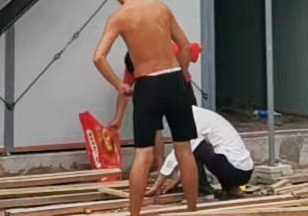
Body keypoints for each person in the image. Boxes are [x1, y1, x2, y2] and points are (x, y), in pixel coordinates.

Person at [93, 0, 198, 216]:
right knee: (184, 149)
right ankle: (192, 210)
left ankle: (135, 213)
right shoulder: (161, 8)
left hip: (147, 85)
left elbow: (98, 57)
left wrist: (120, 84)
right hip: (174, 80)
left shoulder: (119, 17)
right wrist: (182, 74)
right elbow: (185, 46)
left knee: (143, 154)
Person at [108, 60, 253, 200]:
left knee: (193, 147)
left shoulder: (192, 117)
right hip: (242, 168)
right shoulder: (195, 113)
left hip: (236, 170)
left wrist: (158, 184)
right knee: (195, 148)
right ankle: (231, 190)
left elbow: (179, 153)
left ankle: (198, 189)